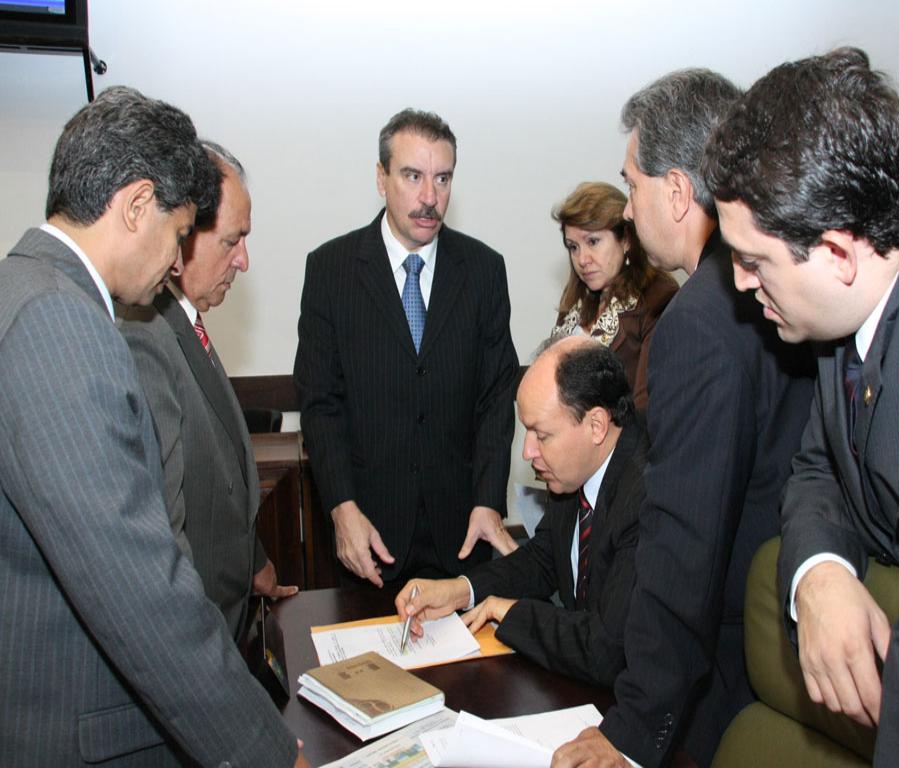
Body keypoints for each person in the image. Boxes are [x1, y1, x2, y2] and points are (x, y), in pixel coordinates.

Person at [702, 47, 899, 766]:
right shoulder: (852, 304)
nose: (740, 283)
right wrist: (820, 573)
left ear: (838, 254)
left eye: (753, 261)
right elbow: (821, 468)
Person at [0, 87, 304, 767]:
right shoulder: (60, 323)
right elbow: (139, 588)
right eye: (177, 232)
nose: (175, 260)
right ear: (138, 205)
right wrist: (267, 753)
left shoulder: (21, 289)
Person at [553, 70, 815, 768]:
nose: (628, 208)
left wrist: (633, 729)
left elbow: (684, 545)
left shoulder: (697, 320)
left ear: (675, 190)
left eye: (631, 185)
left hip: (723, 665)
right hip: (785, 636)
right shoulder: (777, 285)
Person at [294, 108, 519, 588]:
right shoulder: (331, 270)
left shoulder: (484, 270)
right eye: (413, 176)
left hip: (463, 535)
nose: (429, 198)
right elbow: (320, 403)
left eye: (442, 179)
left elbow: (497, 396)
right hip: (369, 536)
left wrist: (488, 500)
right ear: (381, 178)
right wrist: (342, 508)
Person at [119, 141, 298, 645]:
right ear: (181, 237)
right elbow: (161, 529)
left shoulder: (183, 322)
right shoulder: (144, 336)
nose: (244, 260)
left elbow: (217, 474)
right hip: (193, 638)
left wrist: (254, 563)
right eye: (231, 241)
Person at [396, 336, 648, 687]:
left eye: (541, 435)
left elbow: (607, 649)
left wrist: (510, 612)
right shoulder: (573, 471)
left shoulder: (647, 494)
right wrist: (460, 590)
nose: (528, 452)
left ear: (596, 425)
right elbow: (544, 558)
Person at [550, 181, 677, 410]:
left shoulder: (657, 297)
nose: (582, 259)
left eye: (593, 242)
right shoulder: (575, 301)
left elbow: (646, 406)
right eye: (573, 247)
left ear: (626, 239)